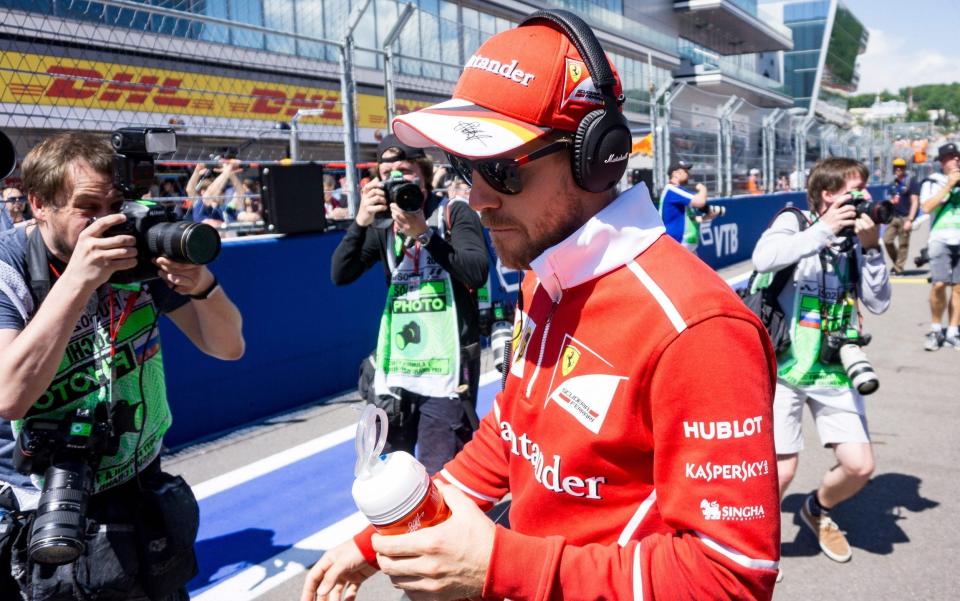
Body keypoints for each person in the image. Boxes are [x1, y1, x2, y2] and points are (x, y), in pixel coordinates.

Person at [305, 12, 780, 601]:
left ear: (596, 158)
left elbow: (729, 577)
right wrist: (377, 541)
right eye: (464, 167)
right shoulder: (547, 277)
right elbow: (513, 430)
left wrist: (503, 565)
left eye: (501, 170)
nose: (477, 197)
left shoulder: (697, 327)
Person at [0, 132, 245, 599]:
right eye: (88, 207)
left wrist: (202, 285)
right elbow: (9, 396)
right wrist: (78, 281)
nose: (107, 222)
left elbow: (227, 346)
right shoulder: (7, 268)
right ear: (39, 204)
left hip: (140, 483)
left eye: (115, 204)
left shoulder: (135, 256)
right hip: (48, 504)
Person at [753, 157, 890, 565]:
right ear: (827, 195)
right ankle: (760, 544)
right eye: (854, 192)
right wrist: (822, 231)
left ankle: (816, 509)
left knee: (860, 465)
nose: (863, 199)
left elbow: (879, 303)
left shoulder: (857, 238)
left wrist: (871, 249)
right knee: (781, 471)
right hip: (786, 368)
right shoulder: (795, 221)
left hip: (835, 369)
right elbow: (764, 257)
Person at [330, 134, 488, 476]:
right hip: (399, 368)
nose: (397, 179)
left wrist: (424, 234)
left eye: (405, 170)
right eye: (388, 174)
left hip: (446, 370)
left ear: (424, 174)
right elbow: (340, 274)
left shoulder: (451, 213)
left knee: (442, 473)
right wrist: (359, 223)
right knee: (391, 472)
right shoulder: (383, 228)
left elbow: (476, 273)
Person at [919, 142, 960, 350]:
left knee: (959, 288)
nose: (955, 160)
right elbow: (926, 207)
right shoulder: (932, 182)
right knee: (939, 284)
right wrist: (949, 185)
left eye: (957, 156)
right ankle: (936, 329)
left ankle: (952, 332)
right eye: (950, 157)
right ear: (942, 162)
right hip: (940, 238)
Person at [658, 160, 720, 252]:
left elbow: (690, 219)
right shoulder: (672, 190)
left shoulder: (678, 191)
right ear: (676, 174)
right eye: (685, 171)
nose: (688, 174)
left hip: (685, 249)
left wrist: (706, 217)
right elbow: (700, 201)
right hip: (677, 248)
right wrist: (703, 189)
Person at [883, 157, 920, 276]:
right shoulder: (892, 184)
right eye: (896, 167)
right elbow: (889, 199)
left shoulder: (910, 182)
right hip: (893, 217)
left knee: (903, 244)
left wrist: (910, 219)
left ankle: (898, 268)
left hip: (905, 217)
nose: (898, 169)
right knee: (887, 240)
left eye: (901, 167)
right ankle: (896, 262)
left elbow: (915, 201)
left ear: (904, 168)